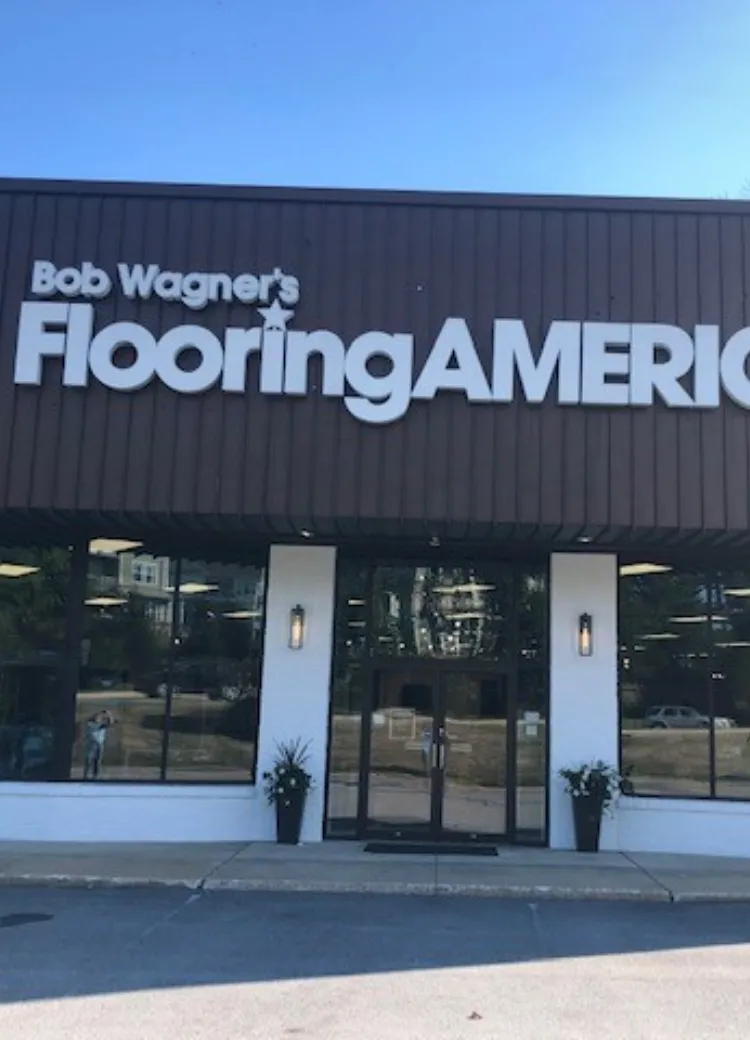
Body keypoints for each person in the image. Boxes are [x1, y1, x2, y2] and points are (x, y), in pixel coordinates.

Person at [83, 710, 114, 780]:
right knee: (89, 759)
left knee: (97, 760)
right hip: (91, 743)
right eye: (98, 717)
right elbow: (91, 729)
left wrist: (109, 714)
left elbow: (111, 723)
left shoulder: (103, 725)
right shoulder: (90, 724)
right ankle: (86, 775)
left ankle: (95, 775)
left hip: (99, 744)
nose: (100, 719)